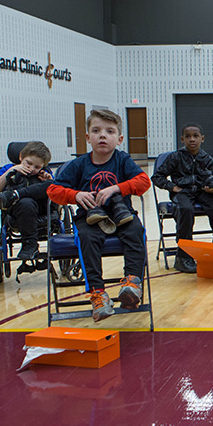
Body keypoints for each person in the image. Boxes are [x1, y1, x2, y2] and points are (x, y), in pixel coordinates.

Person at [47, 110, 151, 322]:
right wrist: (75, 195)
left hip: (123, 216)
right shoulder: (78, 164)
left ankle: (132, 283)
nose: (102, 135)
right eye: (96, 131)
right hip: (89, 219)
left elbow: (143, 182)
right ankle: (97, 293)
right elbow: (53, 191)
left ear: (119, 138)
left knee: (136, 231)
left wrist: (117, 188)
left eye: (109, 131)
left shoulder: (122, 160)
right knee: (87, 239)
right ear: (88, 137)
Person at [151, 123, 213, 273]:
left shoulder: (206, 158)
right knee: (185, 209)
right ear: (182, 139)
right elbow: (157, 177)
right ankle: (183, 256)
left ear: (203, 138)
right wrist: (171, 187)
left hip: (202, 191)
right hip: (183, 192)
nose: (192, 139)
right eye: (188, 136)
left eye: (195, 136)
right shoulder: (175, 157)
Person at [0, 141, 53, 260]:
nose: (31, 168)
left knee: (52, 184)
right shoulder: (9, 169)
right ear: (21, 157)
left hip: (40, 209)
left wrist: (48, 180)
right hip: (18, 209)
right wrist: (13, 170)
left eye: (37, 167)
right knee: (26, 203)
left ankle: (15, 195)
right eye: (28, 163)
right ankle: (30, 244)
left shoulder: (44, 173)